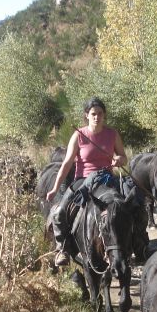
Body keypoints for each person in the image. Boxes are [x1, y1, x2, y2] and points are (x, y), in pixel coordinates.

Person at [46, 97, 127, 267]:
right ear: (86, 115)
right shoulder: (79, 135)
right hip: (82, 180)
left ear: (104, 115)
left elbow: (123, 156)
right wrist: (54, 188)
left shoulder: (112, 134)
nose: (97, 117)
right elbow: (67, 163)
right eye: (93, 114)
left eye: (100, 114)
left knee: (129, 207)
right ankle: (63, 249)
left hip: (106, 179)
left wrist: (119, 159)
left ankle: (136, 244)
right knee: (60, 211)